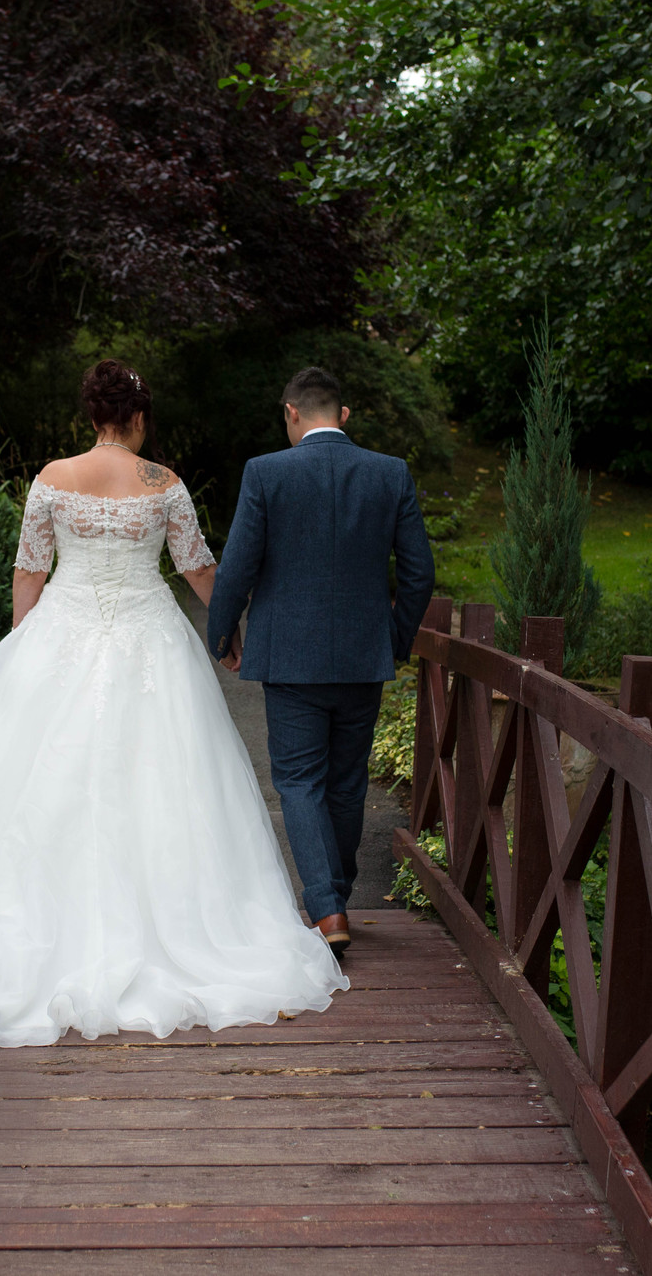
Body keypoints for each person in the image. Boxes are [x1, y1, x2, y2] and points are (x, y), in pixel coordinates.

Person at [0, 360, 347, 1048]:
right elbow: (200, 569)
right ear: (140, 416)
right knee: (170, 785)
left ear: (93, 416)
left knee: (45, 791)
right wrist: (234, 636)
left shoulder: (52, 479)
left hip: (64, 632)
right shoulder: (164, 485)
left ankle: (50, 932)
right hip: (153, 643)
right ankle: (184, 930)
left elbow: (29, 574)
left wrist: (24, 651)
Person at [205, 366, 436, 954]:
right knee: (346, 781)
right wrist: (394, 639)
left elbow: (238, 566)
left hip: (289, 657)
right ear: (344, 415)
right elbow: (418, 575)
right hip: (363, 657)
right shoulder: (390, 474)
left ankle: (328, 910)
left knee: (300, 782)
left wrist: (222, 632)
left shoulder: (266, 473)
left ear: (290, 413)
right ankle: (336, 896)